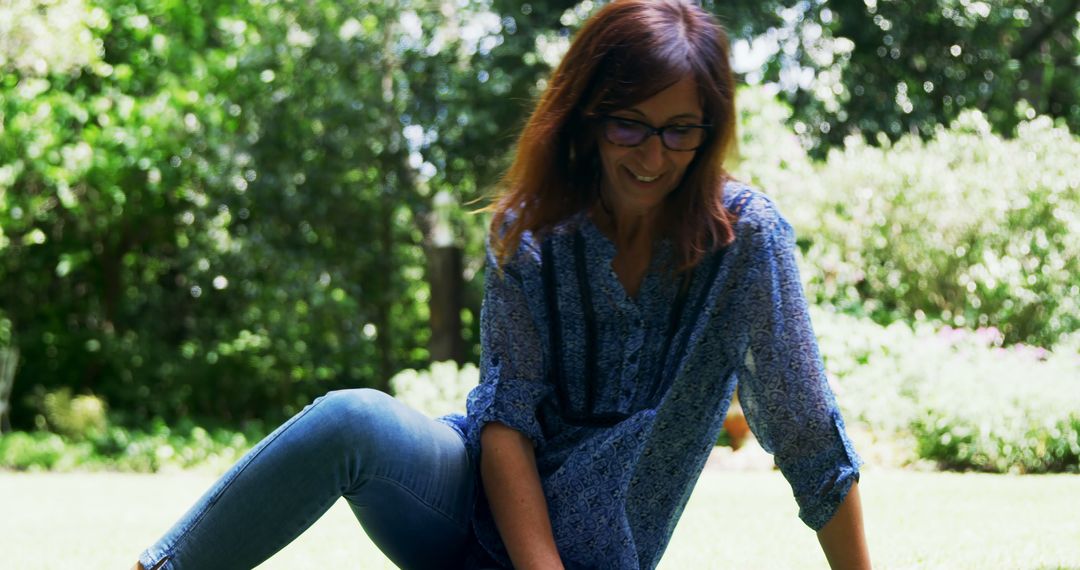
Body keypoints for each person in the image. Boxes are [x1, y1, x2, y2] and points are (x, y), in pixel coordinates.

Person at [134, 1, 870, 568]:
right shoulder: (532, 231)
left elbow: (808, 434)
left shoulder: (747, 242)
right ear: (587, 118)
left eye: (682, 129)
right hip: (468, 510)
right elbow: (506, 419)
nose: (655, 155)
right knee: (351, 419)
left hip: (601, 551)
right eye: (630, 126)